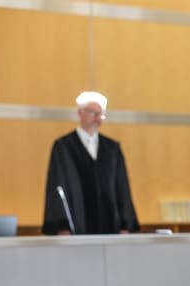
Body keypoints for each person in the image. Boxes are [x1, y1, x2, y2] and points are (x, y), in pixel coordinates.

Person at [42, 91, 139, 235]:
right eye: (93, 113)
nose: (97, 118)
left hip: (110, 226)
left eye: (101, 114)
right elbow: (57, 187)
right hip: (77, 225)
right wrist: (62, 225)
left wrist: (125, 224)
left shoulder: (112, 148)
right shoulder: (63, 147)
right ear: (80, 113)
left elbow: (122, 187)